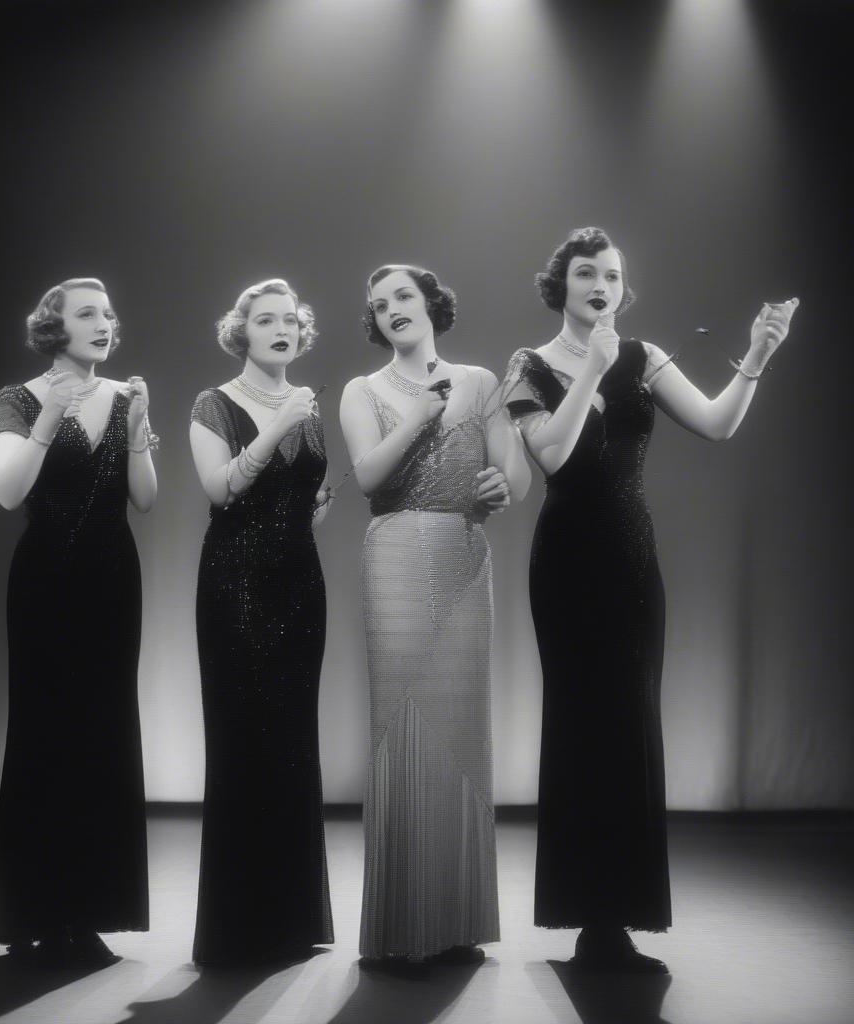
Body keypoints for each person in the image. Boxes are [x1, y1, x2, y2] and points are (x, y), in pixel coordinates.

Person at [503, 226, 798, 973]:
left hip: (631, 560)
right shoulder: (530, 365)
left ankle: (622, 915)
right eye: (585, 274)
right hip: (566, 561)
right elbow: (553, 456)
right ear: (560, 286)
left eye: (612, 274)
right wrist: (588, 373)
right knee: (579, 721)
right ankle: (584, 916)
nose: (601, 284)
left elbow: (717, 424)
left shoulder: (644, 355)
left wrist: (757, 356)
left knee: (631, 721)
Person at [339, 264, 530, 968]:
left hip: (463, 551)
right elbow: (366, 477)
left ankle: (455, 923)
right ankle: (398, 928)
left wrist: (501, 484)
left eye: (403, 297)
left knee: (461, 736)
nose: (391, 309)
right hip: (394, 551)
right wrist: (420, 412)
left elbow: (516, 471)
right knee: (402, 730)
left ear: (431, 305)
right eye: (378, 303)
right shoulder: (364, 390)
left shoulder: (480, 382)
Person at [0, 277, 157, 967]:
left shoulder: (123, 397)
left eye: (110, 313)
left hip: (113, 580)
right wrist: (49, 418)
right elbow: (6, 492)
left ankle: (90, 910)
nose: (105, 323)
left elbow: (145, 498)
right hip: (44, 582)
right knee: (44, 733)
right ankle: (37, 911)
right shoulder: (17, 398)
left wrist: (141, 427)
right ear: (53, 327)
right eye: (88, 313)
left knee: (104, 732)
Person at [188, 278, 334, 966]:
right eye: (266, 320)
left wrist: (313, 509)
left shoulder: (308, 407)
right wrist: (278, 424)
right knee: (243, 739)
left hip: (300, 584)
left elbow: (297, 497)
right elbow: (220, 492)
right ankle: (236, 927)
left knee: (291, 743)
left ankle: (291, 919)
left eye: (291, 320)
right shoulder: (214, 403)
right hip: (235, 585)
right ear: (241, 333)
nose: (282, 329)